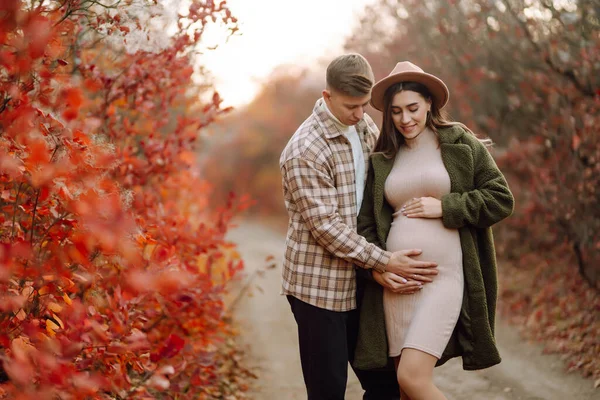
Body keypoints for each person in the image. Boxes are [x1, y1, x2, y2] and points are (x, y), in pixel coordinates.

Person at [279, 54, 440, 400]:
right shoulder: (304, 151)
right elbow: (328, 229)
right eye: (351, 106)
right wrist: (383, 261)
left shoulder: (364, 127)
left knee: (385, 385)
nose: (359, 114)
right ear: (327, 96)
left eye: (365, 105)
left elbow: (384, 187)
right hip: (318, 290)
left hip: (362, 280)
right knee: (328, 391)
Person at [352, 61, 515, 400]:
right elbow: (367, 224)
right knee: (403, 385)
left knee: (413, 378)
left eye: (413, 108)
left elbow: (501, 198)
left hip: (444, 277)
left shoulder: (459, 143)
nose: (405, 118)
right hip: (397, 285)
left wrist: (445, 206)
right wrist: (379, 268)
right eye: (396, 111)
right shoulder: (384, 157)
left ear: (429, 103)